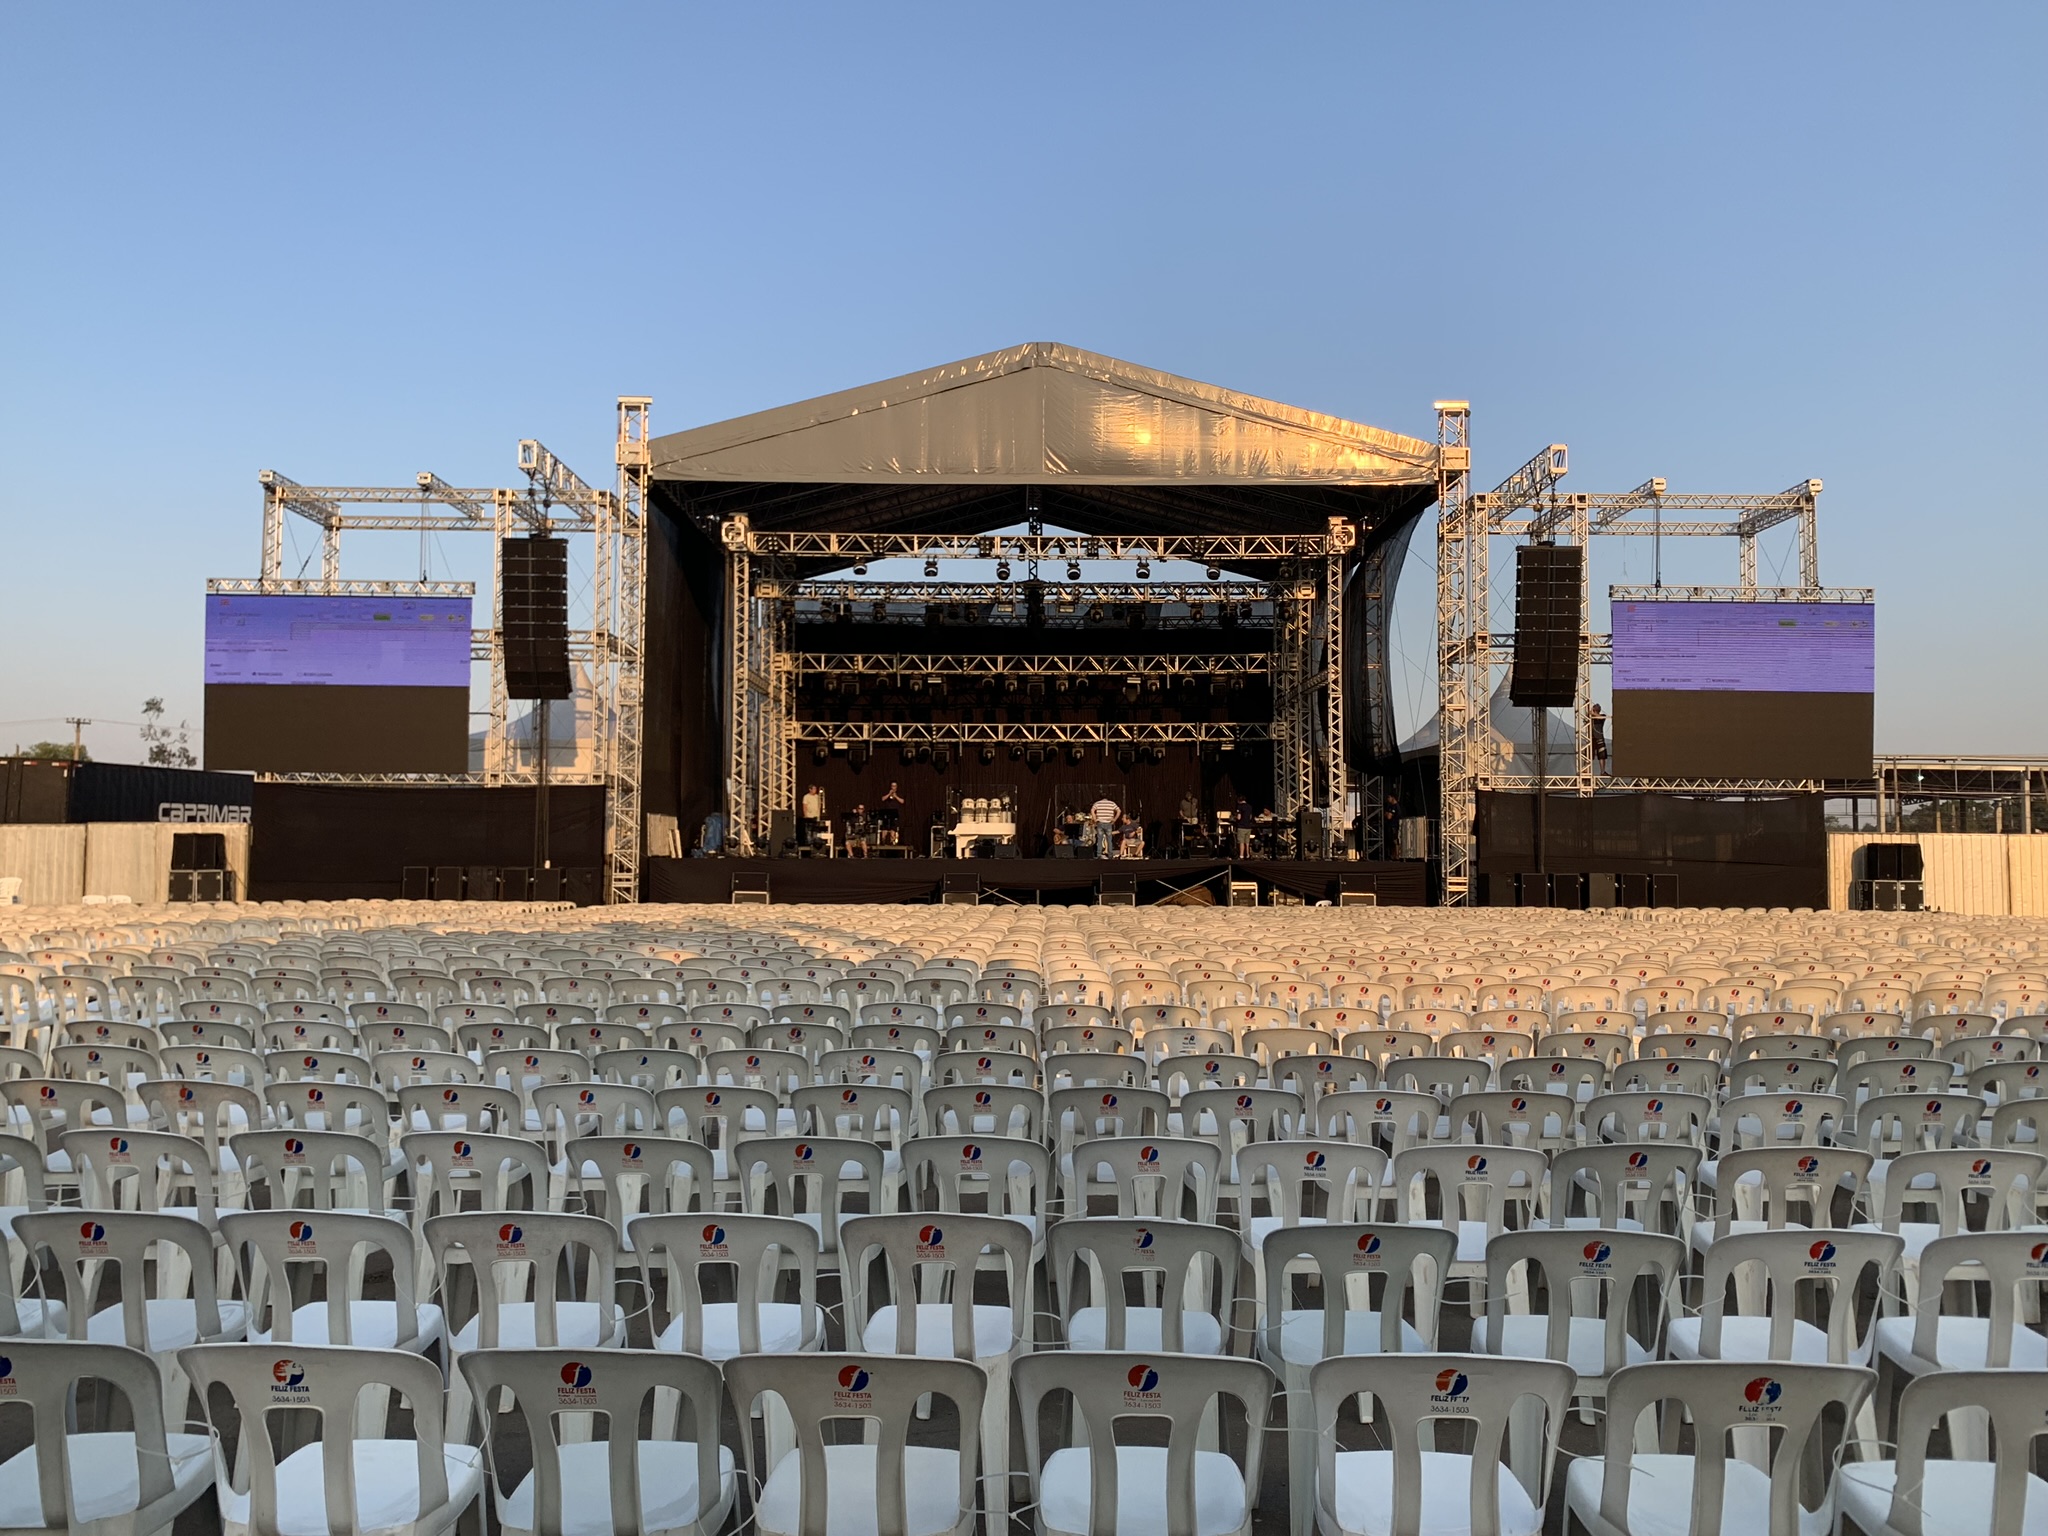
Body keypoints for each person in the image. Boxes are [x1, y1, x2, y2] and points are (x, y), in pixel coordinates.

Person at [1088, 793, 1121, 859]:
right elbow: (1119, 811)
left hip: (1100, 823)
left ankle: (1099, 854)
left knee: (1100, 840)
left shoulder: (1097, 803)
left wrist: (1095, 819)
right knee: (1109, 840)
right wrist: (1114, 819)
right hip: (1108, 823)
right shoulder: (1112, 803)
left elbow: (1092, 810)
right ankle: (1110, 855)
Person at [877, 781, 904, 845]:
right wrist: (889, 794)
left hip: (894, 814)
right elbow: (882, 799)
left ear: (896, 787)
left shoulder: (899, 793)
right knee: (885, 828)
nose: (893, 787)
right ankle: (883, 841)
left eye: (894, 786)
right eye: (892, 786)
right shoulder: (887, 792)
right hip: (886, 813)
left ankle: (892, 841)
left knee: (893, 828)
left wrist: (896, 796)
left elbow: (902, 801)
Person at [1589, 703, 1610, 772]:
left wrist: (1593, 714)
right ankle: (1587, 770)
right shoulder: (1590, 717)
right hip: (1591, 738)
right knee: (1589, 754)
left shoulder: (1602, 716)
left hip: (1599, 737)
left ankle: (1602, 771)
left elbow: (1600, 717)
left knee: (1602, 755)